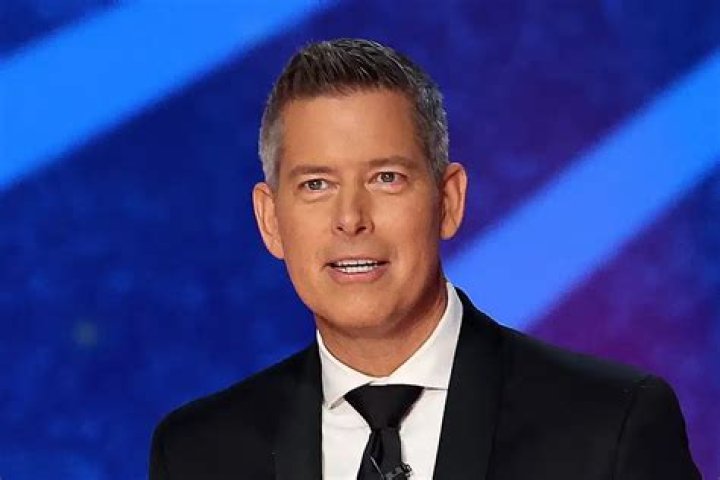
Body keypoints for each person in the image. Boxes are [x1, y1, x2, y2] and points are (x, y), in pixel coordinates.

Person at [148, 38, 700, 480]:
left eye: (386, 178)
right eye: (316, 184)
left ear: (448, 201)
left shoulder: (610, 426)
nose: (350, 218)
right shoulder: (198, 454)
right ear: (271, 219)